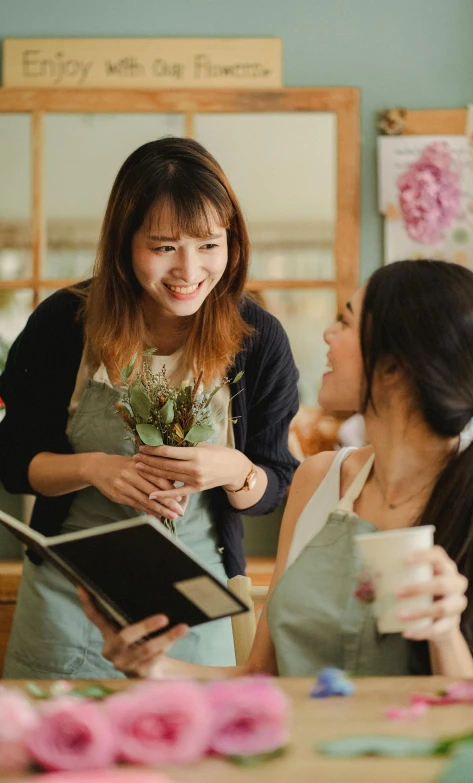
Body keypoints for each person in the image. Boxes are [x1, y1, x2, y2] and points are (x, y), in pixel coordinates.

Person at [82, 259, 473, 679]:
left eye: (346, 322)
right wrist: (152, 668)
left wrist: (444, 633)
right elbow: (259, 676)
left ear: (394, 367)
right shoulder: (317, 481)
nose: (329, 334)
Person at [0, 137, 299, 678]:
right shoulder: (62, 325)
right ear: (124, 243)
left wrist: (235, 471)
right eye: (163, 247)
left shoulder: (258, 339)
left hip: (193, 604)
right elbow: (13, 463)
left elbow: (275, 484)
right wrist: (93, 468)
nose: (189, 270)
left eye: (209, 244)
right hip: (72, 600)